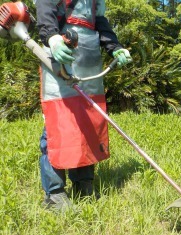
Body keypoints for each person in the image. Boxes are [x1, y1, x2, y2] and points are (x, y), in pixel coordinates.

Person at [34, 0, 132, 212]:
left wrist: (115, 48)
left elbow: (101, 24)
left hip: (89, 65)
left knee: (88, 124)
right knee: (57, 124)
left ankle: (84, 184)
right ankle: (55, 193)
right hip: (60, 61)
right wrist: (53, 38)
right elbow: (45, 11)